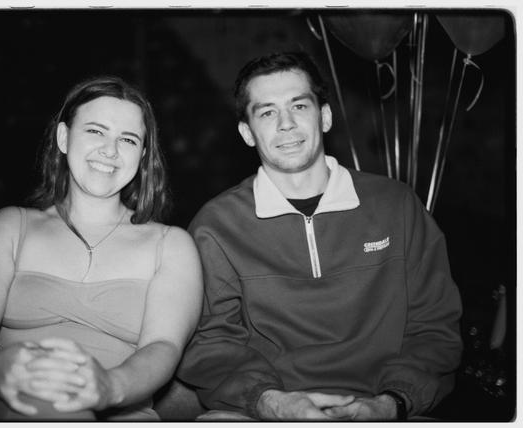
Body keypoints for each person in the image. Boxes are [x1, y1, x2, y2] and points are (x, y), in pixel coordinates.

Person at [177, 51, 463, 421]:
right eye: (267, 112)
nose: (286, 124)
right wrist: (270, 402)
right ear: (247, 133)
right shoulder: (216, 226)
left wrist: (391, 402)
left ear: (324, 116)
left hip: (389, 406)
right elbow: (211, 342)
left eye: (299, 106)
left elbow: (434, 327)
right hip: (263, 410)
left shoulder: (397, 206)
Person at [0, 76, 203, 421]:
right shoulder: (11, 226)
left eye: (127, 139)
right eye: (95, 131)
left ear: (142, 155)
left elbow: (163, 347)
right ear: (64, 137)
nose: (110, 150)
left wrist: (108, 386)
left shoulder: (170, 245)